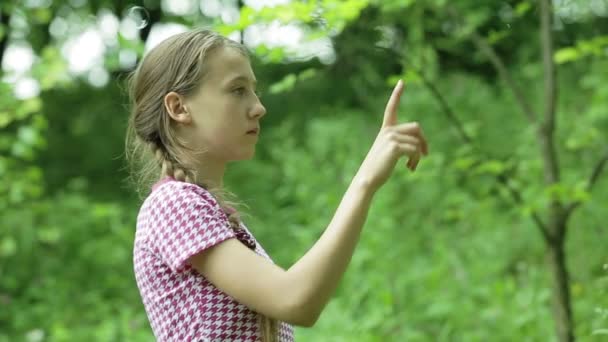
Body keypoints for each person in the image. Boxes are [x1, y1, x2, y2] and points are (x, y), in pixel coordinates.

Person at [125, 28, 428, 342]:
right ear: (178, 107)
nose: (258, 107)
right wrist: (365, 182)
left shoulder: (203, 210)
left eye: (253, 91)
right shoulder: (174, 204)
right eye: (237, 90)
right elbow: (295, 300)